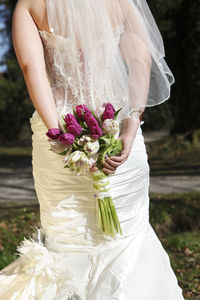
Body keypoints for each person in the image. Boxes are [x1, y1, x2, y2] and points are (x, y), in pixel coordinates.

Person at [0, 0, 185, 299]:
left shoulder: (31, 4)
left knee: (66, 241)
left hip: (59, 134)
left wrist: (60, 133)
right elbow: (141, 62)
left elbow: (30, 67)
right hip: (117, 126)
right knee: (128, 238)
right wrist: (129, 128)